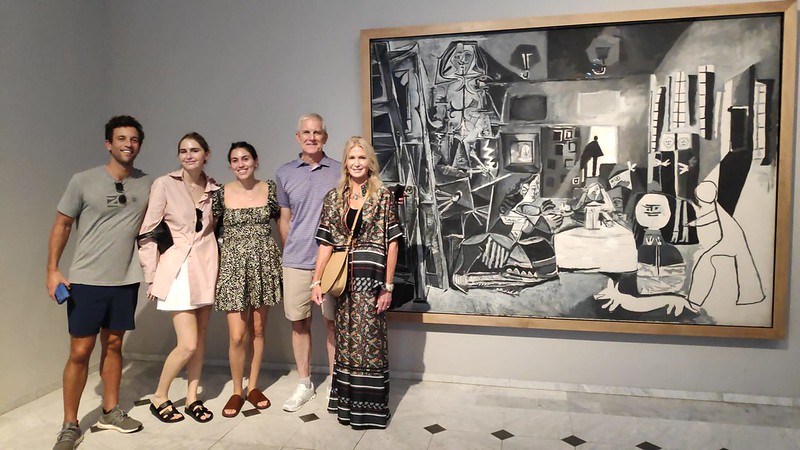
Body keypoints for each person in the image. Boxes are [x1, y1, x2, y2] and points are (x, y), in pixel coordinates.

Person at [46, 115, 151, 450]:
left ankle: (110, 411)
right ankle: (70, 424)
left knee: (115, 345)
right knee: (80, 351)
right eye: (121, 138)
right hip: (86, 280)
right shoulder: (83, 181)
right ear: (108, 143)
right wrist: (52, 269)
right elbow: (62, 225)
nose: (128, 144)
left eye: (133, 139)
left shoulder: (148, 184)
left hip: (125, 281)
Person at [311, 136, 402, 429]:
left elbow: (392, 243)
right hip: (342, 282)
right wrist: (316, 281)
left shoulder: (383, 196)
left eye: (362, 157)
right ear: (345, 162)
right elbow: (325, 243)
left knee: (371, 342)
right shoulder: (333, 198)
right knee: (346, 341)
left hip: (371, 280)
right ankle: (347, 406)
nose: (357, 163)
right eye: (352, 158)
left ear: (370, 162)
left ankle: (370, 411)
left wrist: (388, 286)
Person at [137, 132, 219, 424]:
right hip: (177, 270)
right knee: (188, 344)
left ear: (206, 154)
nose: (188, 155)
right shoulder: (164, 184)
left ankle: (192, 397)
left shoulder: (215, 189)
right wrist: (151, 276)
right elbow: (148, 232)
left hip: (207, 268)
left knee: (201, 338)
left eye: (194, 150)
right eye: (183, 151)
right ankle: (159, 396)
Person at [276, 113, 341, 412]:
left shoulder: (339, 171)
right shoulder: (285, 173)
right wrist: (292, 251)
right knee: (299, 323)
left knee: (333, 324)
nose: (311, 137)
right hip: (297, 262)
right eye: (306, 132)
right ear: (298, 136)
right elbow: (285, 219)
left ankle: (336, 383)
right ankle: (304, 384)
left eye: (317, 132)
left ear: (324, 137)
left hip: (332, 263)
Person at [213, 141, 282, 418]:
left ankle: (253, 386)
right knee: (237, 335)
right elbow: (208, 232)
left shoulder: (270, 189)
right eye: (235, 160)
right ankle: (236, 390)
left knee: (258, 330)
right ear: (230, 165)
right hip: (233, 266)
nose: (240, 164)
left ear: (255, 161)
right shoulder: (221, 193)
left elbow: (284, 222)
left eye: (245, 158)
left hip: (264, 264)